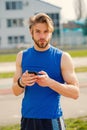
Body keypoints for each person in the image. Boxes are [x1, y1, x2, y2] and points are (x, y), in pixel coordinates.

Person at [12, 13, 79, 130]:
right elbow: (15, 91)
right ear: (31, 32)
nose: (42, 36)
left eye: (46, 31)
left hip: (52, 119)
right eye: (38, 31)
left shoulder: (62, 57)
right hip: (28, 119)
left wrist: (50, 83)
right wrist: (21, 82)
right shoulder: (22, 56)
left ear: (51, 32)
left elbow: (75, 93)